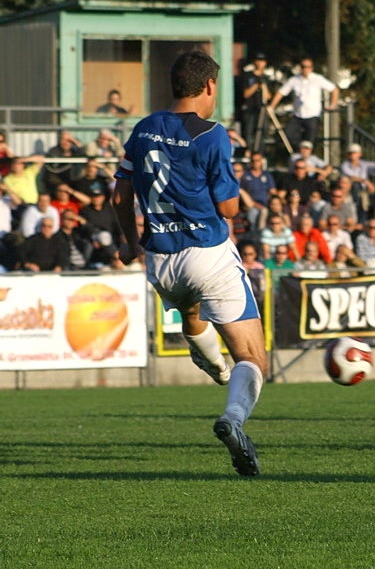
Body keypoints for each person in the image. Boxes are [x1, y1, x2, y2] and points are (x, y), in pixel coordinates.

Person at [112, 50, 267, 476]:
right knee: (252, 356)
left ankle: (214, 367)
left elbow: (120, 196)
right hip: (206, 252)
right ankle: (233, 419)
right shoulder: (213, 134)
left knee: (191, 310)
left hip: (159, 259)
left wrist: (129, 243)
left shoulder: (143, 129)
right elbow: (230, 208)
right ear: (210, 87)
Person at [267, 57, 339, 150]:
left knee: (310, 143)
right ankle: (298, 151)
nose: (305, 69)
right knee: (286, 135)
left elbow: (334, 89)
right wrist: (272, 106)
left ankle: (307, 159)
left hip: (312, 115)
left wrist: (333, 104)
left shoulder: (317, 79)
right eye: (303, 66)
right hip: (298, 115)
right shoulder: (294, 80)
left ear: (311, 68)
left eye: (308, 67)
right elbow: (281, 93)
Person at [240, 52, 272, 149]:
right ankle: (249, 150)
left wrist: (263, 86)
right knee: (249, 131)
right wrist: (256, 86)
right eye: (258, 60)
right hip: (250, 108)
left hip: (261, 109)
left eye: (262, 61)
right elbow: (246, 94)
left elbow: (268, 96)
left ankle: (260, 152)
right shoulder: (247, 76)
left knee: (262, 131)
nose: (260, 63)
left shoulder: (267, 78)